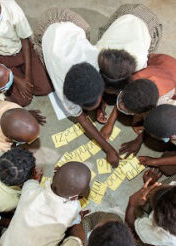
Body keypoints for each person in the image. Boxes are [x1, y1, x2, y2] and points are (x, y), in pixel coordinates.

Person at [36, 8, 120, 167]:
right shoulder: (63, 92)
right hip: (46, 27)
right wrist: (108, 149)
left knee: (86, 31)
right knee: (41, 87)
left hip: (70, 21)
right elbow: (82, 120)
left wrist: (100, 107)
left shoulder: (98, 60)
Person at [0, 162, 91, 246]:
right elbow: (76, 221)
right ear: (75, 197)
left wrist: (35, 179)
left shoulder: (30, 190)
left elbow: (31, 182)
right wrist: (79, 217)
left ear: (54, 175)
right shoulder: (72, 210)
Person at [95, 4, 162, 123]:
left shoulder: (140, 61)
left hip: (149, 23)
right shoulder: (98, 52)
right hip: (126, 12)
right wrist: (100, 104)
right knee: (105, 33)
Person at [100, 54, 176, 139]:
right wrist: (110, 123)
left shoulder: (161, 103)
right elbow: (126, 97)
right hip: (164, 62)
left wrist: (138, 121)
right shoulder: (135, 78)